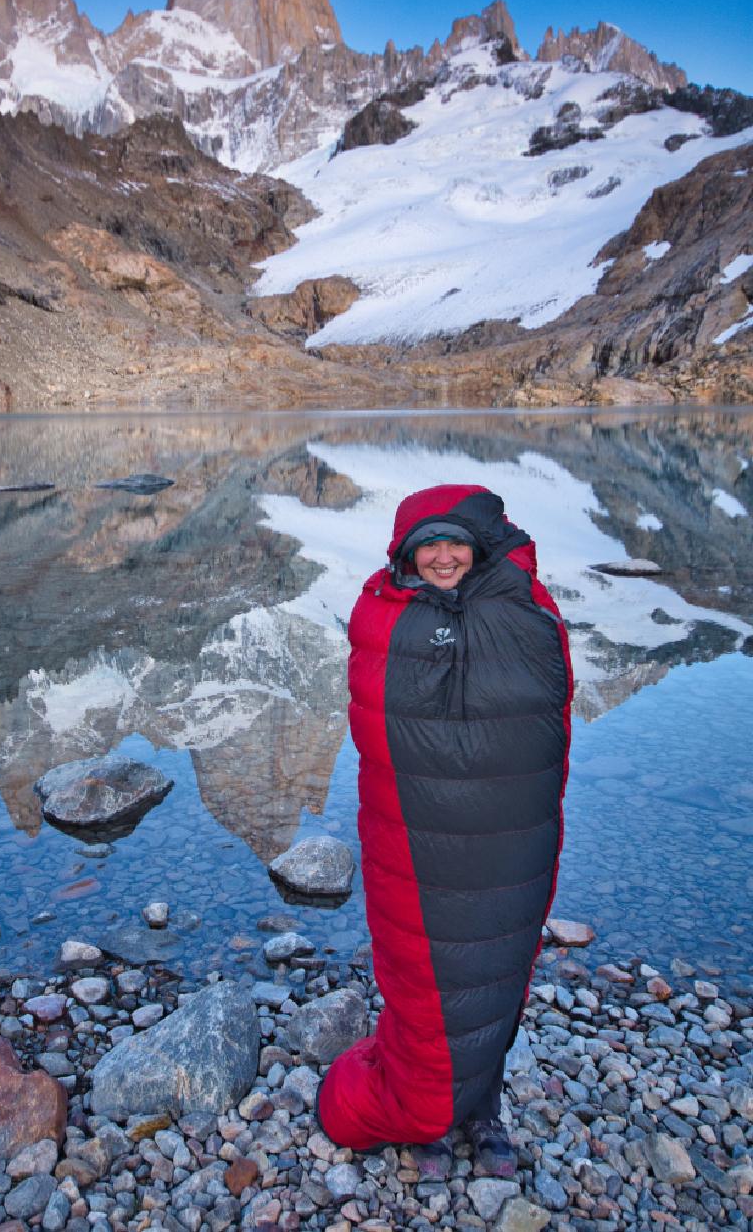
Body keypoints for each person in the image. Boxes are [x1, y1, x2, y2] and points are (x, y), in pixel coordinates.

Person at [316, 483, 573, 1176]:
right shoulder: (384, 612)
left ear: (480, 546)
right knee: (424, 977)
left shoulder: (522, 610)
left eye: (456, 541)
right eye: (428, 544)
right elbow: (378, 715)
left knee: (495, 974)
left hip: (504, 834)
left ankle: (480, 1109)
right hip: (414, 836)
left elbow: (541, 705)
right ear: (406, 551)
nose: (443, 556)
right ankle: (422, 1108)